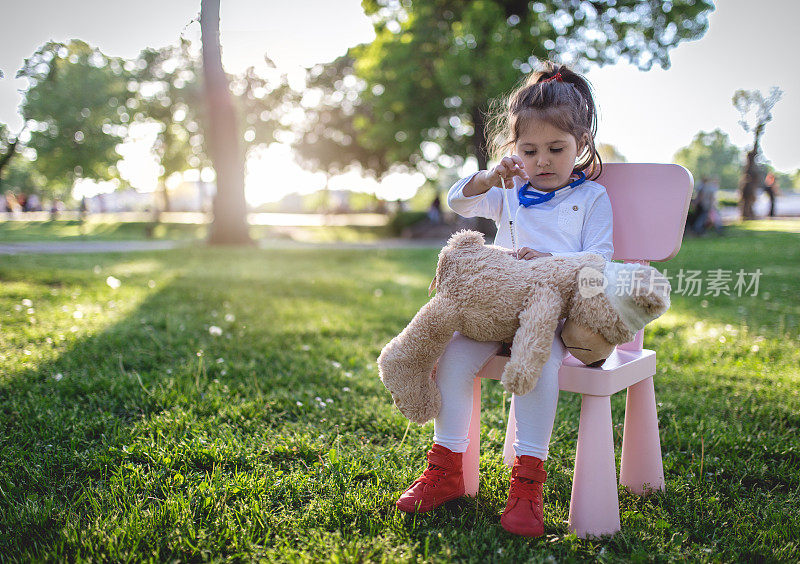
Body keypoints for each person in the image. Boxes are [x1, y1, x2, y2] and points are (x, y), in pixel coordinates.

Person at [394, 62, 613, 537]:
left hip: (546, 316)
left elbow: (600, 258)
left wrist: (548, 261)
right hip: (491, 312)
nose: (544, 161)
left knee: (537, 367)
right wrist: (488, 179)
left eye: (557, 149)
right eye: (530, 150)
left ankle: (529, 480)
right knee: (452, 358)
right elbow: (460, 203)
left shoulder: (591, 198)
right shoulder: (511, 191)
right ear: (515, 151)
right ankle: (447, 468)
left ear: (581, 144)